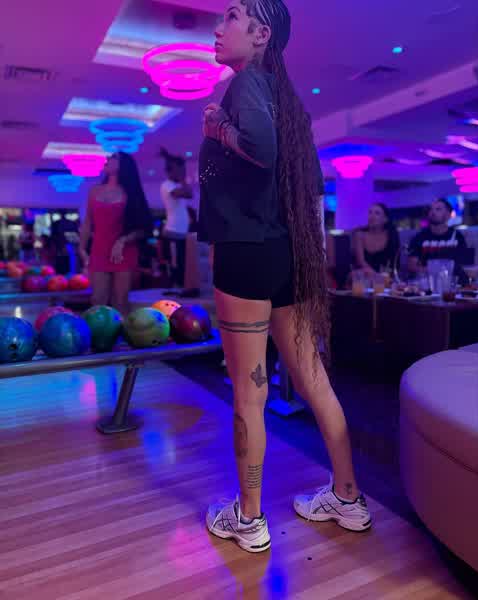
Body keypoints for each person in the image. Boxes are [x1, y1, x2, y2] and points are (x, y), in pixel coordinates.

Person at [199, 0, 371, 554]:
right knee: (313, 380)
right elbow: (311, 190)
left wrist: (219, 127)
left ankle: (249, 520)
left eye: (231, 16)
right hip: (284, 256)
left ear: (261, 34)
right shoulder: (286, 99)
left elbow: (259, 148)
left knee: (250, 394)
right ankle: (347, 498)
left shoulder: (247, 85)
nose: (218, 27)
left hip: (246, 256)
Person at [79, 152, 152, 315]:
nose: (108, 159)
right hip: (99, 250)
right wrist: (82, 249)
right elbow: (88, 223)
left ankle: (123, 331)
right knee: (98, 300)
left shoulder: (131, 193)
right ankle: (99, 332)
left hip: (123, 252)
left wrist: (123, 240)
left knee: (120, 301)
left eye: (114, 158)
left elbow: (144, 228)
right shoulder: (94, 191)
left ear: (123, 165)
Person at [408, 199, 468, 282]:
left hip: (453, 283)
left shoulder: (458, 236)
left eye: (438, 209)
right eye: (431, 209)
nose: (433, 212)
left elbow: (465, 265)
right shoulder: (418, 238)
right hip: (426, 283)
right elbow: (412, 266)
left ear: (448, 215)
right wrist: (439, 271)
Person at [159, 148, 193, 288]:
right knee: (175, 263)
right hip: (173, 231)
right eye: (180, 170)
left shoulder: (177, 185)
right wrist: (183, 179)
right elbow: (188, 194)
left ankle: (181, 287)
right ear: (171, 171)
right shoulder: (167, 185)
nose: (183, 172)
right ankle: (174, 288)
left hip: (182, 232)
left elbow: (190, 194)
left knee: (183, 262)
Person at [354, 203, 399, 275]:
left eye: (377, 213)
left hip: (385, 274)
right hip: (365, 273)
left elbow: (395, 262)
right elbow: (361, 262)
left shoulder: (391, 235)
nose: (372, 216)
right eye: (370, 212)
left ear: (385, 219)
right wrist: (376, 276)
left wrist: (385, 275)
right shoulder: (360, 235)